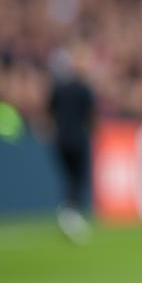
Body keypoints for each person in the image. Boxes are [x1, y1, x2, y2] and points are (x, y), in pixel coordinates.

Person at [48, 47, 95, 244]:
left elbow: (50, 112)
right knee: (78, 179)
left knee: (68, 178)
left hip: (60, 140)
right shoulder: (84, 89)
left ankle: (68, 213)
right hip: (79, 139)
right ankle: (71, 216)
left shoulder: (58, 88)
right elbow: (90, 117)